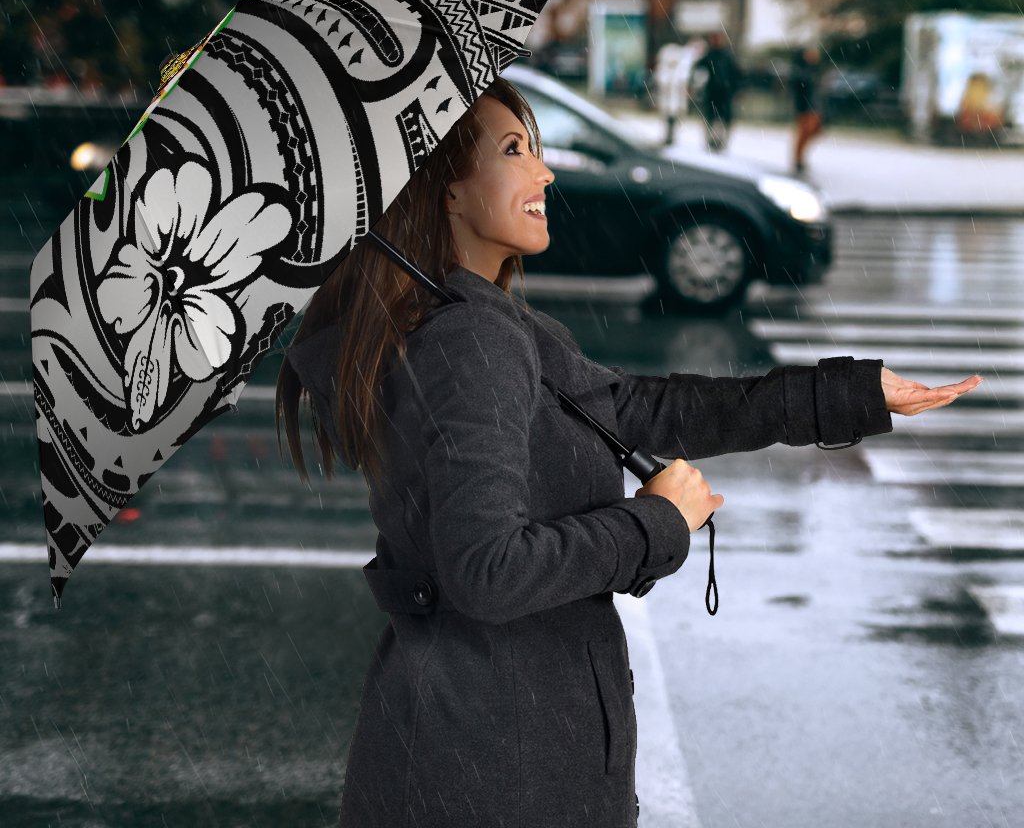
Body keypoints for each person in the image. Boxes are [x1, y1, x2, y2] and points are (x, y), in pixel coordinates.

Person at [277, 76, 982, 828]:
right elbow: (487, 572)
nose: (544, 172)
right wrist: (654, 523)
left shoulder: (483, 324)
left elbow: (643, 410)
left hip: (487, 744)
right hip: (495, 765)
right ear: (447, 191)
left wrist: (847, 394)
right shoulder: (470, 341)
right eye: (515, 150)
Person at [691, 31, 742, 153]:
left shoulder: (726, 56)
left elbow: (736, 74)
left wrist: (736, 89)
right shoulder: (710, 55)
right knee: (711, 117)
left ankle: (720, 141)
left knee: (722, 118)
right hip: (713, 92)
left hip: (724, 93)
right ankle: (711, 140)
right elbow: (698, 68)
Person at [790, 44, 824, 174]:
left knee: (814, 130)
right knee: (804, 133)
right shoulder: (800, 70)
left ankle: (800, 158)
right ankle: (798, 159)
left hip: (814, 106)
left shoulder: (814, 70)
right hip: (805, 106)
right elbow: (799, 89)